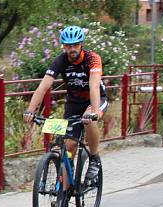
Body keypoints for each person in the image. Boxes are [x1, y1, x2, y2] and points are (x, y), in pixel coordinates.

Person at [24, 25, 107, 181]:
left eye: (75, 45)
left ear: (81, 44)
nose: (72, 49)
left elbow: (94, 86)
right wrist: (30, 110)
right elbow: (43, 86)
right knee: (68, 148)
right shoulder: (60, 61)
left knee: (89, 120)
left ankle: (94, 159)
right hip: (74, 103)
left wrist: (95, 112)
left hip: (95, 99)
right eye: (68, 46)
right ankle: (63, 198)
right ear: (64, 46)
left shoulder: (92, 59)